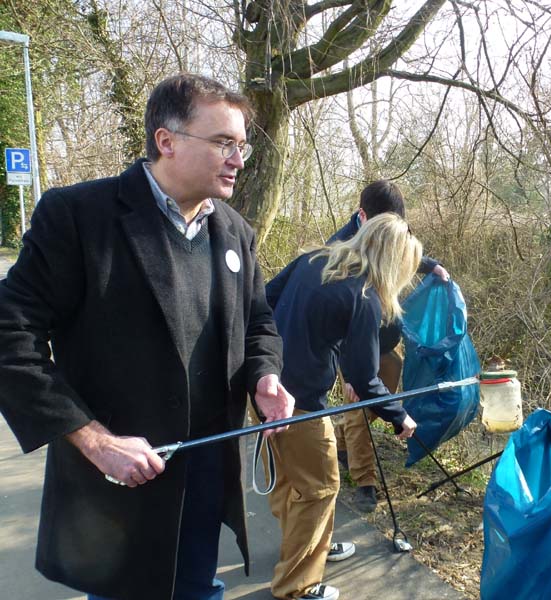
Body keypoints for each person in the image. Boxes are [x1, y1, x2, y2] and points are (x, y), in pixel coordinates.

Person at [0, 73, 294, 600]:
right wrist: (94, 439)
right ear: (167, 141)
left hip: (206, 476)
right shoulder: (79, 218)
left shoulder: (234, 233)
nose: (239, 159)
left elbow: (259, 324)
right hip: (118, 486)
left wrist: (265, 375)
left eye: (242, 144)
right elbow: (9, 336)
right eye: (224, 142)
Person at [264, 213, 422, 600]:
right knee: (320, 487)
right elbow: (366, 379)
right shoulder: (364, 295)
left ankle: (301, 552)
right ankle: (297, 585)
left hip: (265, 389)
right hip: (300, 403)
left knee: (290, 479)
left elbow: (265, 298)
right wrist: (400, 415)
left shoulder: (314, 258)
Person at [329, 179, 448, 512]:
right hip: (353, 346)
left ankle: (340, 443)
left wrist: (432, 265)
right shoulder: (339, 248)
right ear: (364, 217)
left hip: (385, 340)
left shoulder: (393, 228)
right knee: (360, 406)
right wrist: (350, 371)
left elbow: (406, 249)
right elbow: (331, 312)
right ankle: (364, 482)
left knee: (382, 402)